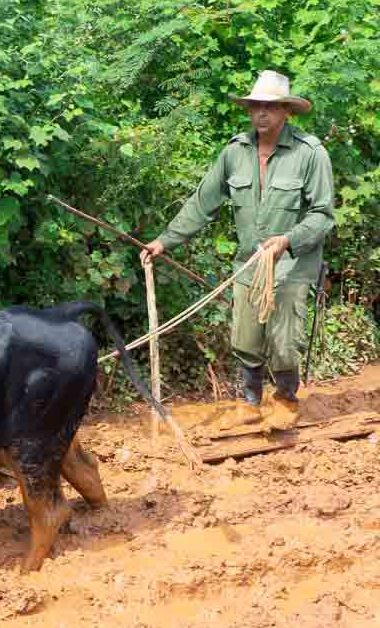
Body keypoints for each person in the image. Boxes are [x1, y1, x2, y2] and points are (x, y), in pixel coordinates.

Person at [140, 71, 335, 412]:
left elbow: (323, 215)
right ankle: (251, 403)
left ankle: (285, 399)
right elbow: (202, 202)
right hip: (248, 264)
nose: (262, 113)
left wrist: (287, 240)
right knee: (245, 341)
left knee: (285, 343)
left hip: (292, 264)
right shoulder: (235, 152)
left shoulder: (310, 153)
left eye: (270, 107)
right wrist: (165, 241)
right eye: (256, 106)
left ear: (286, 111)